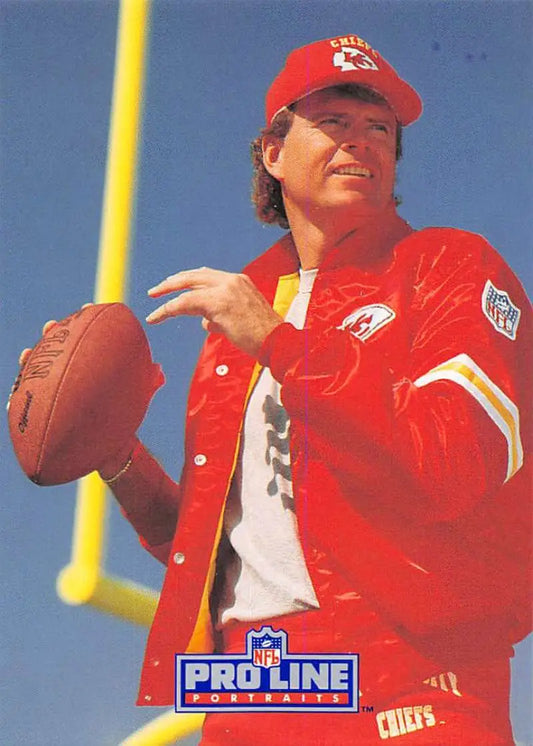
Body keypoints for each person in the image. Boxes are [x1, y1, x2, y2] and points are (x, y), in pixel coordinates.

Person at [22, 34, 531, 745]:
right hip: (252, 684)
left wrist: (280, 344)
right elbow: (212, 547)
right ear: (272, 153)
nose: (360, 141)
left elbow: (447, 462)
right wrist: (115, 453)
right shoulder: (240, 320)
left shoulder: (448, 268)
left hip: (408, 671)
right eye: (334, 122)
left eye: (378, 129)